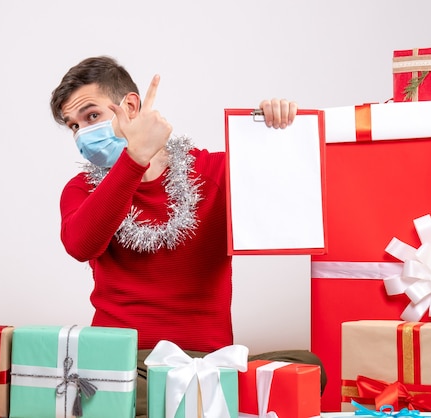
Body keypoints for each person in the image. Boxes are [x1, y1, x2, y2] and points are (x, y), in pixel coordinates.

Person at [50, 55, 325, 416]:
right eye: (73, 126)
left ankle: (194, 397)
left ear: (131, 106)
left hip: (210, 363)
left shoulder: (213, 171)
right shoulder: (82, 189)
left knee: (307, 368)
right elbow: (80, 245)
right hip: (128, 364)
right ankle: (198, 402)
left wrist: (273, 130)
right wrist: (134, 159)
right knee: (108, 391)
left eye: (91, 116)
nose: (82, 134)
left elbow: (289, 199)